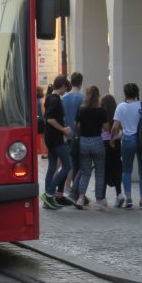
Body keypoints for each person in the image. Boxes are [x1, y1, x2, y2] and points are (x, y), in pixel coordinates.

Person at [112, 82, 142, 210]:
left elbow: (115, 127)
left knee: (126, 170)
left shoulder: (121, 107)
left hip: (128, 140)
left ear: (125, 93)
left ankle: (129, 199)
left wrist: (112, 138)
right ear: (137, 93)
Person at [40, 75, 74, 209]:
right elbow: (50, 119)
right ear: (62, 86)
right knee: (67, 165)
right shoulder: (55, 100)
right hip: (56, 138)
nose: (65, 91)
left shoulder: (49, 98)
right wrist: (64, 129)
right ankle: (49, 193)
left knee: (52, 167)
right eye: (65, 87)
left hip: (49, 137)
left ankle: (48, 201)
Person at [73, 85, 108, 210]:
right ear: (98, 96)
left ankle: (81, 198)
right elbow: (105, 128)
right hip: (97, 142)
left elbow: (76, 125)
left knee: (85, 172)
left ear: (87, 96)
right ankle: (98, 201)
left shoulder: (81, 109)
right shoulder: (101, 111)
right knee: (99, 172)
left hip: (84, 142)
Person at [61, 72, 84, 199]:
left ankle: (67, 186)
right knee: (78, 164)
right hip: (79, 135)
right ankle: (74, 189)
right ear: (81, 83)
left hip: (66, 133)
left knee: (68, 162)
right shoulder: (83, 98)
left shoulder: (63, 98)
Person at [101, 93, 124, 208]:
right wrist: (118, 136)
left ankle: (103, 196)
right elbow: (121, 129)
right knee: (116, 167)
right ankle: (119, 193)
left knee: (104, 169)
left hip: (104, 144)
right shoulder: (117, 113)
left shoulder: (101, 114)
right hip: (116, 144)